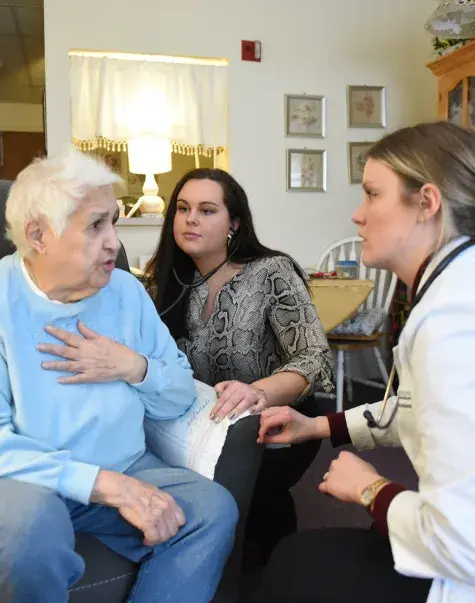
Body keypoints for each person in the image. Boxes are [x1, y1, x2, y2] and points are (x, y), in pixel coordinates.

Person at [0, 151, 238, 603]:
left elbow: (178, 397)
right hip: (30, 482)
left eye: (114, 221)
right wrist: (102, 484)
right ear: (38, 235)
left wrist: (133, 366)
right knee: (28, 534)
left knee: (212, 508)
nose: (114, 242)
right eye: (96, 226)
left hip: (127, 463)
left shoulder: (125, 290)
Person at [258, 121, 475, 603]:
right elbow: (416, 408)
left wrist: (371, 489)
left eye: (373, 194)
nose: (358, 215)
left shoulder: (451, 323)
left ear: (427, 203)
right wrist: (315, 427)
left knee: (293, 571)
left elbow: (462, 542)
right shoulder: (452, 287)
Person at [142, 168, 334, 560]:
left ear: (234, 223)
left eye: (207, 210)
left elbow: (315, 357)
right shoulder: (164, 280)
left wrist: (257, 391)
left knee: (256, 516)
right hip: (198, 421)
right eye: (182, 208)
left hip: (275, 421)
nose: (190, 218)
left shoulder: (271, 272)